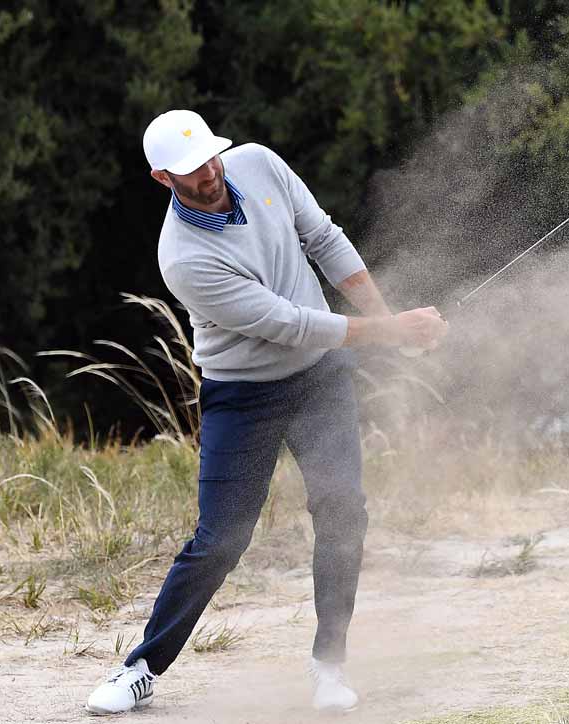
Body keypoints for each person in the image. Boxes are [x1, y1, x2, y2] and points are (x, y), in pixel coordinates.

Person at [84, 109, 447, 715]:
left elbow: (325, 240)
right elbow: (289, 324)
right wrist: (385, 333)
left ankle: (329, 664)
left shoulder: (258, 164)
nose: (207, 175)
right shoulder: (183, 258)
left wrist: (388, 318)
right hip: (242, 394)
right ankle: (140, 668)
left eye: (209, 159)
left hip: (320, 381)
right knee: (221, 539)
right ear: (162, 179)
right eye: (190, 172)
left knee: (342, 509)